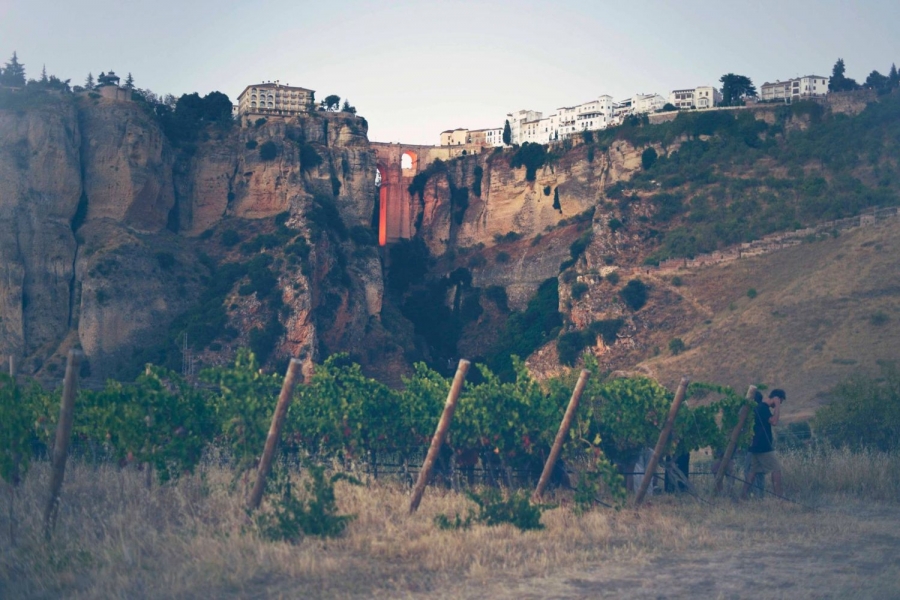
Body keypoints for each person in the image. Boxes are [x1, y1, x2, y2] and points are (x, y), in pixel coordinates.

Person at [741, 389, 785, 499]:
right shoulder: (764, 408)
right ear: (777, 398)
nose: (780, 404)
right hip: (763, 447)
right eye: (781, 401)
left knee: (753, 472)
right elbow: (774, 421)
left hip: (754, 446)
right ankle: (779, 497)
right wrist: (778, 406)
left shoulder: (759, 407)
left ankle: (743, 495)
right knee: (776, 469)